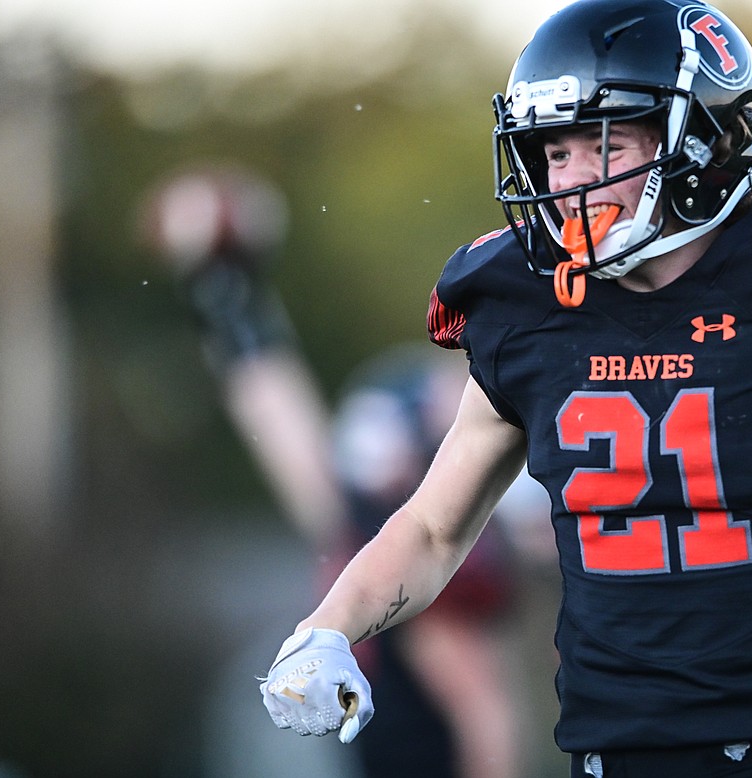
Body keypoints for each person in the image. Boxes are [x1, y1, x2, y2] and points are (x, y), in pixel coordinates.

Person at [259, 1, 752, 776]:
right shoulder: (523, 306)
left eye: (600, 146)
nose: (567, 182)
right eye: (552, 152)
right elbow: (433, 530)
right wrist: (328, 627)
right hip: (611, 759)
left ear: (701, 141)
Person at [145, 165, 529, 778]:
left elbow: (485, 717)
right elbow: (289, 441)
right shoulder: (374, 523)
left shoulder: (434, 562)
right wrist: (230, 307)